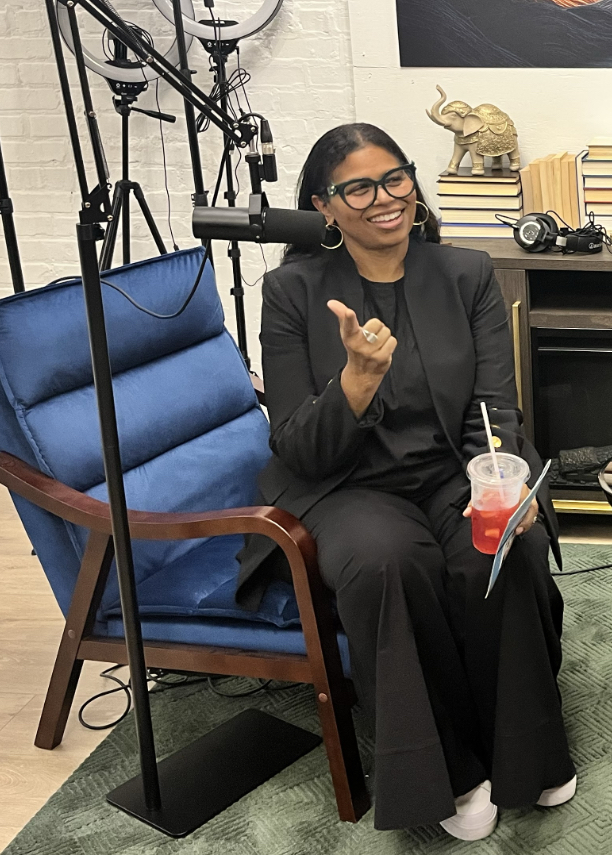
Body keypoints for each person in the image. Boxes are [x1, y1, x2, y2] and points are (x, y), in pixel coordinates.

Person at [233, 123, 576, 839]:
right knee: (392, 561)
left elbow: (496, 405)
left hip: (451, 471)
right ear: (324, 206)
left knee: (499, 548)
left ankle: (524, 752)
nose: (383, 198)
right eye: (357, 187)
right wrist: (356, 382)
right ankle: (450, 771)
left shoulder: (465, 273)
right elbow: (295, 441)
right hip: (345, 486)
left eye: (395, 177)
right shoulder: (291, 292)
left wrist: (507, 479)